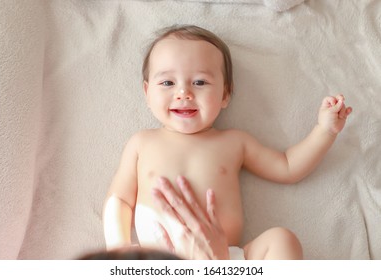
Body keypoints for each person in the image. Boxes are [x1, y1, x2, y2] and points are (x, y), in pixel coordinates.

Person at [103, 24, 352, 260]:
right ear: (147, 92)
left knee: (282, 240)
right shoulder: (142, 143)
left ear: (225, 94)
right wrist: (119, 249)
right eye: (168, 82)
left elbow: (287, 167)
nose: (183, 93)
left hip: (225, 258)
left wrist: (324, 130)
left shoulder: (234, 142)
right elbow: (119, 199)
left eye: (199, 82)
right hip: (159, 261)